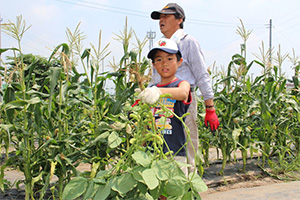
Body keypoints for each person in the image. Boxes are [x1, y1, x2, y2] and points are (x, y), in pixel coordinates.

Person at [150, 3, 220, 172]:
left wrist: (210, 108)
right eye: (160, 17)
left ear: (179, 19)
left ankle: (188, 186)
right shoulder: (159, 47)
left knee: (186, 145)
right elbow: (154, 78)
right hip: (161, 101)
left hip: (183, 101)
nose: (161, 20)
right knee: (163, 145)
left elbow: (202, 75)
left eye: (166, 16)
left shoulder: (188, 42)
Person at [137, 38, 191, 175]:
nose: (164, 63)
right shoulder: (150, 90)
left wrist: (158, 92)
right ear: (154, 65)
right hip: (151, 154)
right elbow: (145, 123)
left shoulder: (181, 84)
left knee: (175, 192)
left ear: (179, 62)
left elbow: (183, 93)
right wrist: (139, 148)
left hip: (175, 153)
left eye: (169, 58)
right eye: (159, 60)